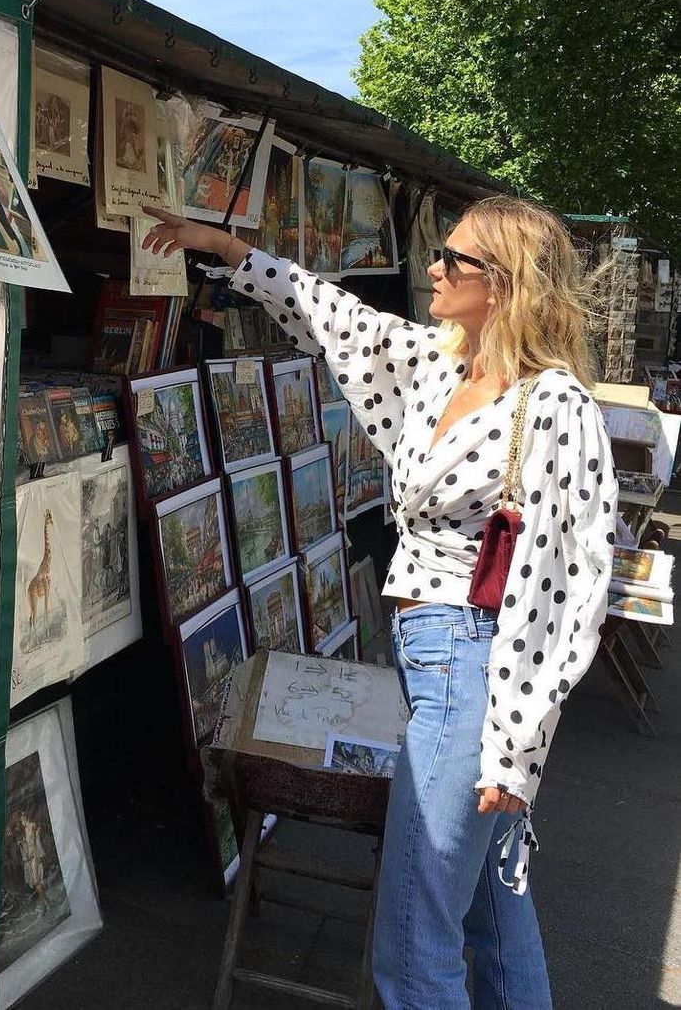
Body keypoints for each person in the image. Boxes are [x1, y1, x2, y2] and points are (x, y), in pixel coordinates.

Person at [142, 195, 617, 1009]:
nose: (433, 266)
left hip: (476, 676)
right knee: (493, 921)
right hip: (436, 662)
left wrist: (515, 742)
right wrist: (227, 248)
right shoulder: (443, 363)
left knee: (411, 944)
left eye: (453, 258)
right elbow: (339, 319)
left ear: (503, 283)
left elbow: (568, 582)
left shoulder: (555, 406)